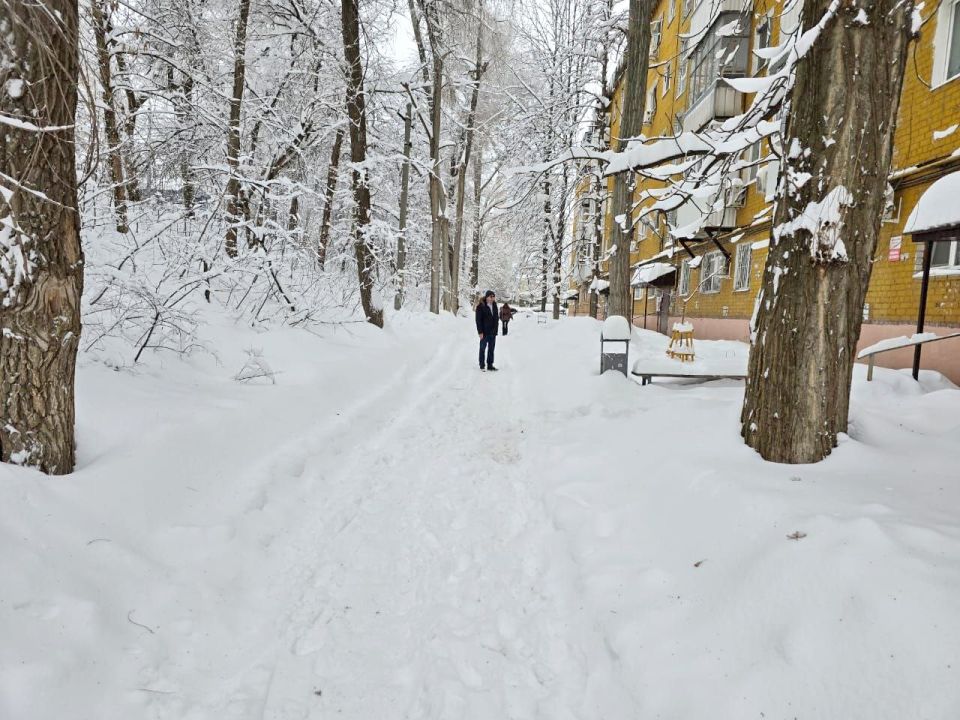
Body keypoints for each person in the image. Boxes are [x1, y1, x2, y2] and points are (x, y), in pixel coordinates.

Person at [475, 290, 498, 371]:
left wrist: (496, 331)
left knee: (491, 349)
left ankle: (490, 365)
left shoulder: (495, 305)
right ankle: (482, 365)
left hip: (493, 332)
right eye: (491, 297)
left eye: (493, 297)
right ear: (487, 297)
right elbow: (478, 320)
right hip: (484, 332)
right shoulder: (480, 306)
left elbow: (496, 319)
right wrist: (480, 332)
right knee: (482, 348)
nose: (492, 298)